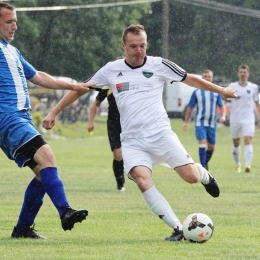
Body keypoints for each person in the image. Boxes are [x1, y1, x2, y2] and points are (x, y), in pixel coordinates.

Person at [43, 24, 236, 242]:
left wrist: (222, 91)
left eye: (142, 45)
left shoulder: (159, 64)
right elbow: (80, 89)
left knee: (190, 177)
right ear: (123, 45)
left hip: (161, 135)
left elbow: (190, 78)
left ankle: (204, 175)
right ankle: (177, 228)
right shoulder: (110, 69)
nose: (139, 51)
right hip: (132, 141)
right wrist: (54, 112)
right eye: (133, 46)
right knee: (142, 180)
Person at [0, 2, 95, 239]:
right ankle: (65, 211)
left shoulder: (12, 51)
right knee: (48, 157)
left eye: (16, 21)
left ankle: (22, 229)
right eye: (9, 21)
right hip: (8, 119)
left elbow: (39, 76)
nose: (15, 27)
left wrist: (72, 85)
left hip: (20, 118)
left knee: (44, 174)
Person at [182, 70, 226, 170]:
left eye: (209, 76)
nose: (207, 78)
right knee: (202, 142)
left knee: (211, 147)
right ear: (202, 78)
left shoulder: (216, 93)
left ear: (212, 78)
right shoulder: (197, 92)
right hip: (200, 123)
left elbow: (222, 106)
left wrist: (223, 116)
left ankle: (204, 163)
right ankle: (203, 167)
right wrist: (186, 122)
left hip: (212, 123)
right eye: (205, 76)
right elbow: (190, 107)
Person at [88, 87, 125, 191]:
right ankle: (120, 183)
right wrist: (91, 121)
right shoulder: (108, 85)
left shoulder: (131, 81)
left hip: (129, 122)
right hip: (113, 123)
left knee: (130, 153)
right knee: (118, 154)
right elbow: (96, 103)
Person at [226, 65, 260, 173]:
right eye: (241, 72)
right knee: (236, 142)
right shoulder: (233, 87)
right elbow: (227, 102)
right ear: (238, 73)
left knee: (248, 140)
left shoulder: (254, 88)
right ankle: (237, 165)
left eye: (244, 72)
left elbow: (257, 104)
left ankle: (247, 165)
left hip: (248, 118)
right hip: (235, 118)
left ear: (248, 74)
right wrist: (225, 113)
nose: (243, 74)